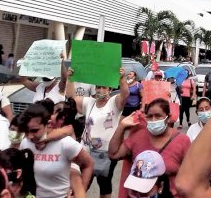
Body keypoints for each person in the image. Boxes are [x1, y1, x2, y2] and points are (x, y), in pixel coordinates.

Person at [108, 98, 191, 198]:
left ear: (168, 118)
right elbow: (113, 154)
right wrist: (122, 126)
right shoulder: (138, 137)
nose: (153, 120)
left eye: (158, 116)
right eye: (150, 116)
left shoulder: (182, 141)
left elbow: (191, 176)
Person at [66, 67, 129, 198]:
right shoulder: (90, 102)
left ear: (110, 90)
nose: (100, 90)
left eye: (104, 87)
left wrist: (122, 79)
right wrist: (70, 78)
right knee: (82, 180)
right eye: (98, 87)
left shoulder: (114, 102)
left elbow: (125, 95)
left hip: (106, 152)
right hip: (86, 150)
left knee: (104, 182)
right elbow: (71, 97)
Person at [18, 103, 94, 198]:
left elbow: (88, 164)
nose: (29, 136)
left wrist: (79, 191)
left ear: (48, 124)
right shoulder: (25, 143)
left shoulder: (65, 143)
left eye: (35, 130)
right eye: (26, 131)